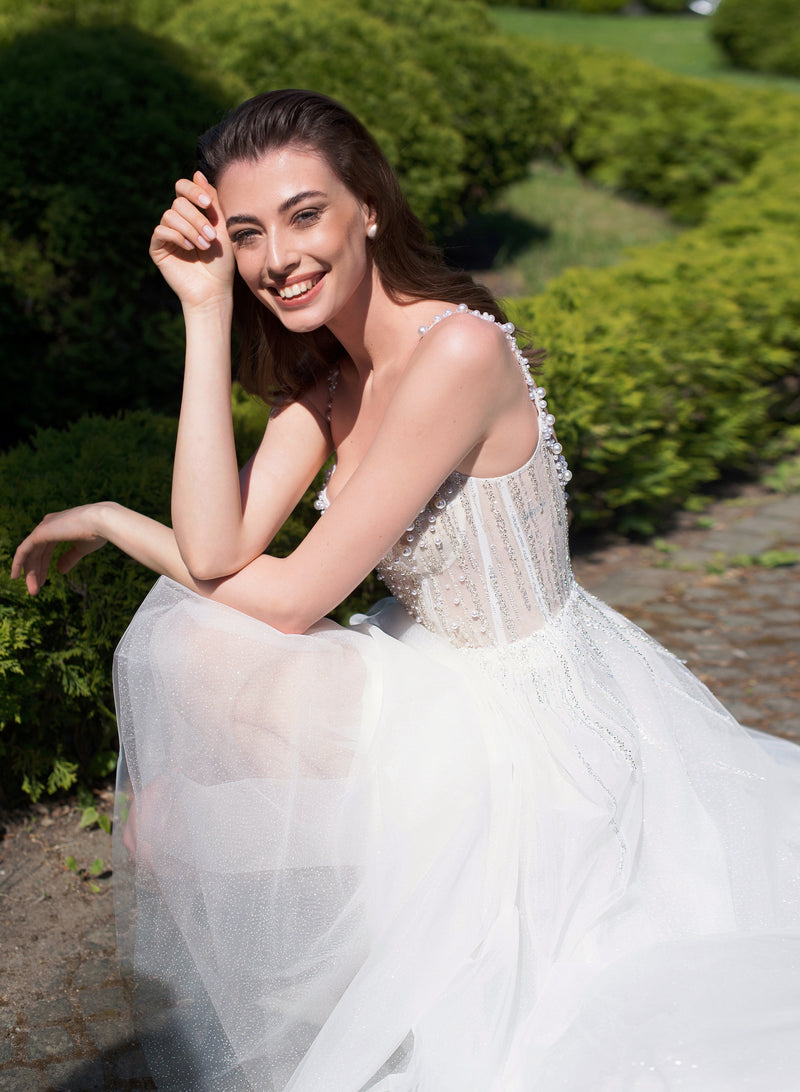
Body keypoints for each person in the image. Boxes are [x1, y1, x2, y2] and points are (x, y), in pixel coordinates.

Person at [11, 89, 800, 1091]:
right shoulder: (326, 385)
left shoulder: (457, 352)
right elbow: (215, 552)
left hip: (527, 720)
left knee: (202, 654)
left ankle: (412, 958)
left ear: (369, 207)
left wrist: (117, 525)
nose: (275, 258)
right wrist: (204, 312)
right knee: (164, 797)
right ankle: (388, 954)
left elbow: (290, 598)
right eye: (246, 234)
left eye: (304, 215)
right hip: (423, 681)